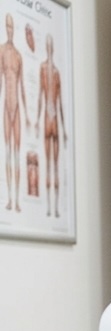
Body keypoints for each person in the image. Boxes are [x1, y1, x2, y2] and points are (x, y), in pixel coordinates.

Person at [1, 13, 32, 212]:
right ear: (5, 27)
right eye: (8, 26)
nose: (10, 30)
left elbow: (21, 86)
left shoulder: (19, 56)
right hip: (6, 106)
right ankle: (9, 198)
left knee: (17, 153)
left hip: (18, 109)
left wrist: (28, 115)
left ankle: (17, 200)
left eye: (12, 27)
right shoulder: (2, 52)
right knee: (8, 152)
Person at [35, 33, 65, 218]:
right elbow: (40, 95)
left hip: (52, 119)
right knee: (48, 164)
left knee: (55, 164)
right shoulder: (44, 69)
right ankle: (49, 207)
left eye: (50, 44)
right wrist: (38, 120)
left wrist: (65, 129)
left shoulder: (55, 72)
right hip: (47, 117)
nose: (49, 47)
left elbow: (60, 101)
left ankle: (56, 209)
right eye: (48, 44)